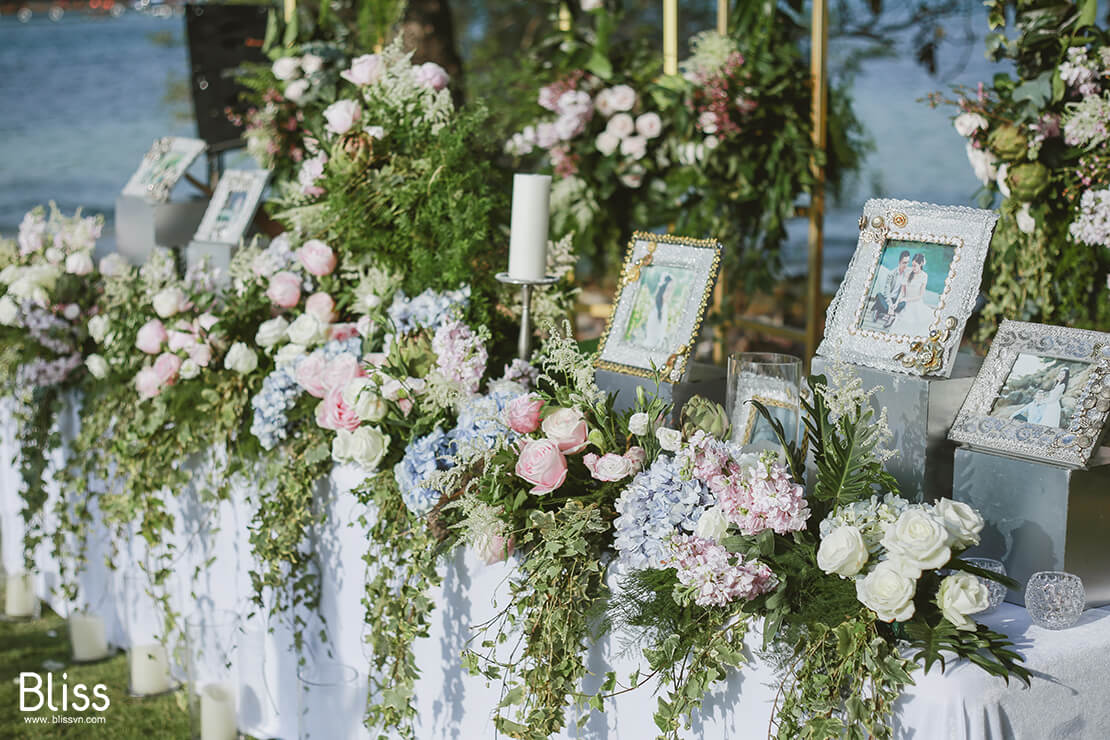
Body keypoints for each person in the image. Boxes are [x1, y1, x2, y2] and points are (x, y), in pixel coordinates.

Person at [889, 253, 933, 336]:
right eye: (912, 265)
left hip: (916, 303)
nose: (913, 268)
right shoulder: (908, 273)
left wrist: (907, 299)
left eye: (915, 266)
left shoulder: (924, 276)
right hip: (906, 303)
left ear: (921, 264)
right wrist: (897, 303)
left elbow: (920, 296)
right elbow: (902, 292)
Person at [872, 250, 911, 326]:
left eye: (907, 262)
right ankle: (890, 316)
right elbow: (887, 291)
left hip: (897, 300)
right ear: (899, 262)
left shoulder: (906, 274)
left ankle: (879, 312)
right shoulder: (891, 274)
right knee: (879, 295)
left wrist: (896, 304)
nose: (906, 265)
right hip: (888, 299)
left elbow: (902, 292)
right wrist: (890, 305)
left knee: (904, 303)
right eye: (904, 262)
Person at [641, 274, 673, 349]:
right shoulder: (656, 310)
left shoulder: (664, 307)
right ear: (662, 290)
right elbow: (652, 335)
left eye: (671, 290)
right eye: (667, 290)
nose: (669, 294)